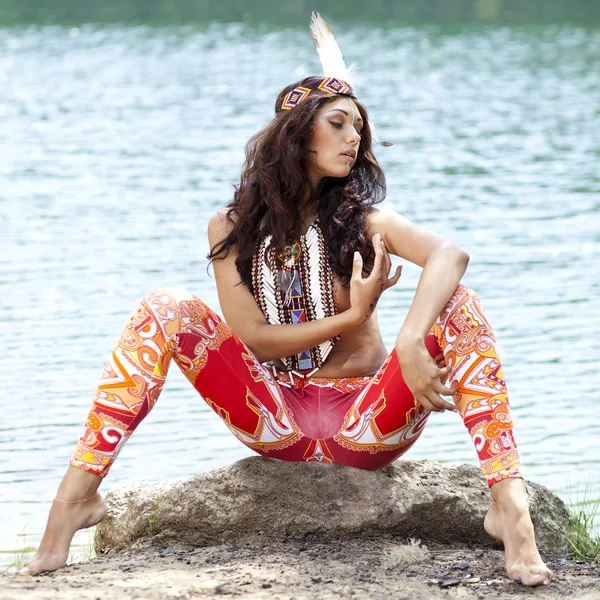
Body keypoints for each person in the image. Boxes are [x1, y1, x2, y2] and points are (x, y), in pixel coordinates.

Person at [22, 14, 552, 587]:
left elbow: (449, 254)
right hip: (274, 420)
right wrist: (352, 314)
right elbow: (251, 338)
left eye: (359, 129)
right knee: (163, 307)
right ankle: (72, 503)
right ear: (298, 136)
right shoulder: (231, 227)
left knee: (459, 303)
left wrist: (408, 337)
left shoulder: (364, 221)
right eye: (340, 124)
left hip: (365, 426)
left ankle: (510, 510)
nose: (355, 139)